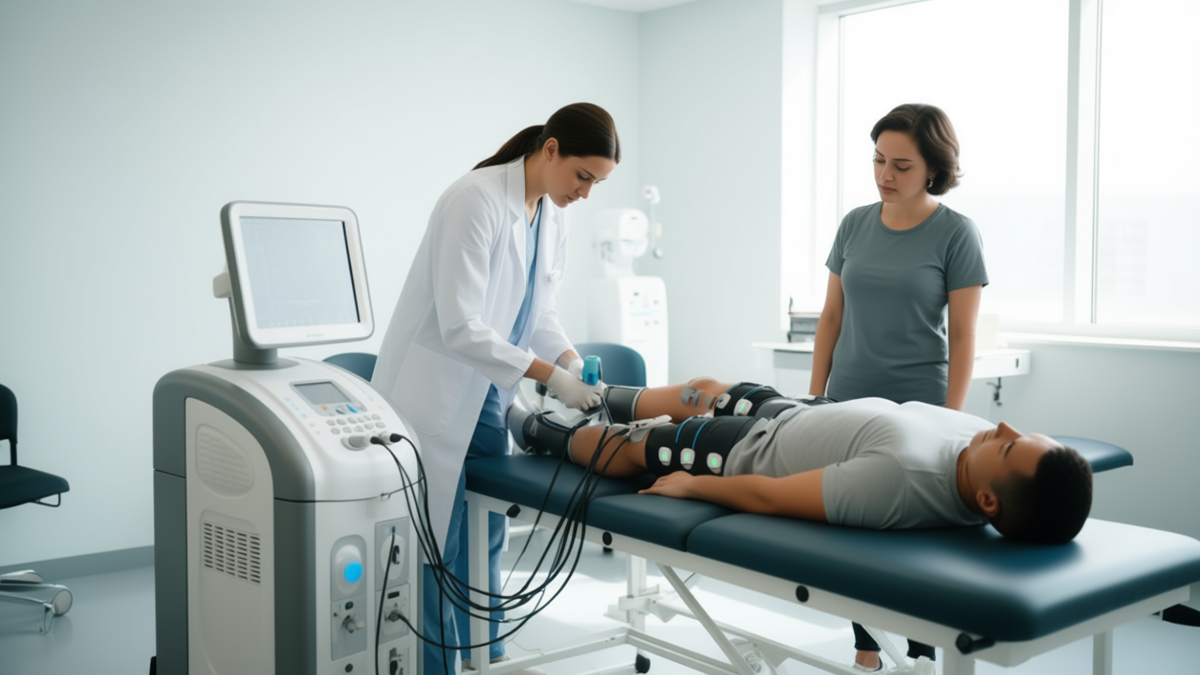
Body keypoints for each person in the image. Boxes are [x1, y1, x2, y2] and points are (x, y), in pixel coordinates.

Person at [371, 102, 619, 675]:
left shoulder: (554, 213)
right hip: (436, 390)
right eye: (582, 176)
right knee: (442, 543)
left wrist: (570, 359)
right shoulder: (474, 199)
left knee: (488, 530)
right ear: (550, 148)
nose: (585, 193)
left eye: (597, 183)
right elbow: (462, 327)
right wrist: (548, 376)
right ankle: (440, 664)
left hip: (487, 392)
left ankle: (488, 650)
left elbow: (539, 309)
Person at [808, 104, 987, 669]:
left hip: (920, 405)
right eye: (878, 160)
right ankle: (866, 648)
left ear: (933, 168)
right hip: (847, 399)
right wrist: (814, 397)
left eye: (901, 166)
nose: (885, 175)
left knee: (910, 540)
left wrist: (951, 420)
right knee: (850, 525)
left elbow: (962, 337)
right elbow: (831, 318)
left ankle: (921, 650)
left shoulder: (956, 233)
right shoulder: (855, 223)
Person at [509, 377, 1093, 544]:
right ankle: (593, 393)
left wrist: (691, 487)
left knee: (640, 447)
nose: (1006, 426)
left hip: (750, 449)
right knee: (703, 386)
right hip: (799, 412)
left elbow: (770, 496)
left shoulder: (902, 484)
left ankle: (541, 433)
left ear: (989, 500)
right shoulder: (981, 447)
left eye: (1013, 444)